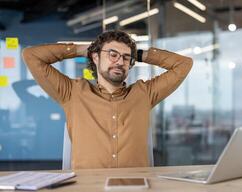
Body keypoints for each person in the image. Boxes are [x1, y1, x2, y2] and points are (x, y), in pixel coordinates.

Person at [22, 30, 193, 169]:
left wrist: (140, 54)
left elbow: (184, 64)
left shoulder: (144, 94)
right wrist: (81, 50)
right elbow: (31, 56)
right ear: (96, 57)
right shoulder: (72, 93)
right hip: (88, 191)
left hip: (136, 191)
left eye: (126, 57)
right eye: (113, 54)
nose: (120, 61)